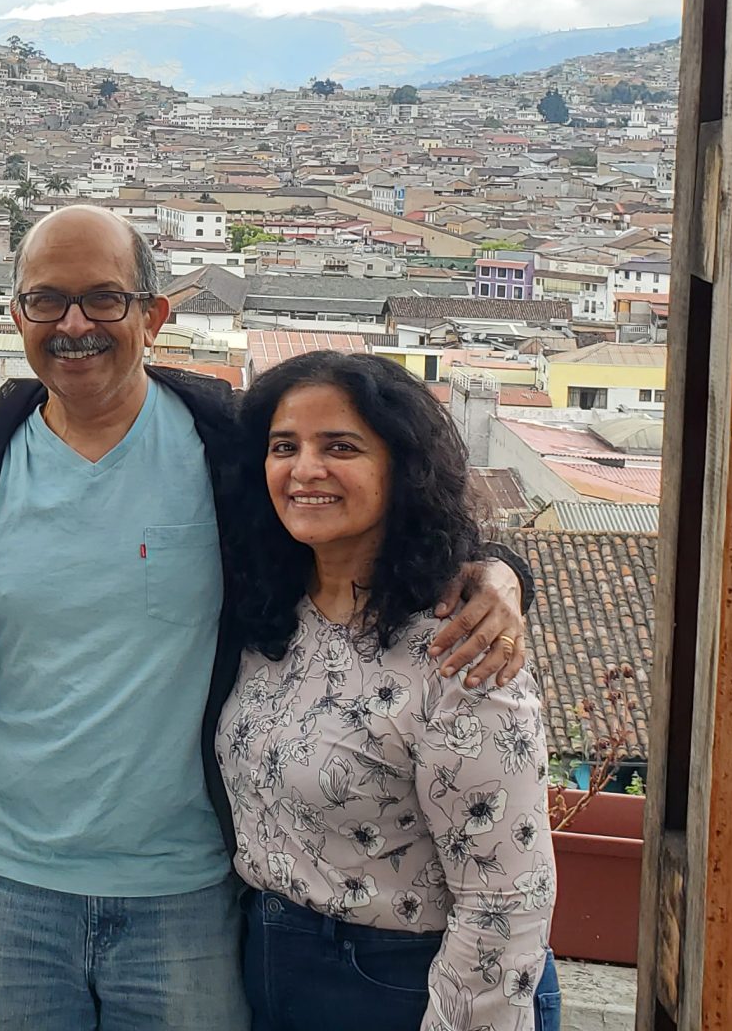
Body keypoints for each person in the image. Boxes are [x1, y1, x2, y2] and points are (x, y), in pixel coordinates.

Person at [0, 205, 534, 1031]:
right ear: (16, 316)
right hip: (0, 882)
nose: (75, 324)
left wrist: (501, 571)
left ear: (154, 315)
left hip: (188, 891)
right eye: (47, 300)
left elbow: (368, 516)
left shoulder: (229, 447)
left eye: (104, 299)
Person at [220, 350, 560, 1031]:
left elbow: (505, 896)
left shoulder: (459, 648)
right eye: (284, 446)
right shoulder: (269, 616)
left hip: (403, 983)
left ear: (402, 468)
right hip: (270, 966)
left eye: (339, 447)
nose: (305, 469)